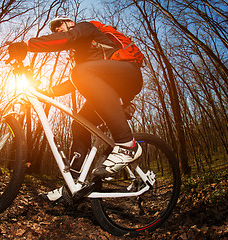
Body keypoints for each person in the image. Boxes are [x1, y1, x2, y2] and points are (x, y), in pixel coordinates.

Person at [8, 16, 143, 202]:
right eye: (53, 28)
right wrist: (49, 91)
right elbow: (75, 81)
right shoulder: (82, 55)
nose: (56, 30)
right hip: (110, 87)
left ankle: (128, 144)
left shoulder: (85, 28)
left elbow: (68, 41)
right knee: (79, 124)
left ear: (70, 23)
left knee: (80, 72)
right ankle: (73, 185)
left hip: (128, 73)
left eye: (58, 25)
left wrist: (27, 45)